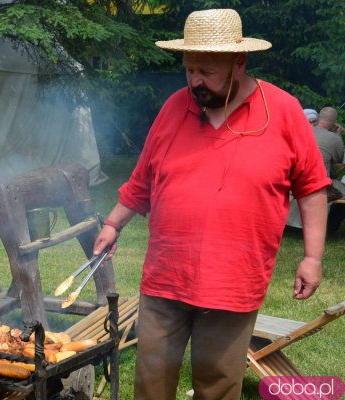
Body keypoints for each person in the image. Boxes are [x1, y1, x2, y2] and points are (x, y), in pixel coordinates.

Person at [93, 9, 330, 400]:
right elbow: (143, 180)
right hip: (165, 278)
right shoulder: (175, 107)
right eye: (189, 69)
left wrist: (313, 258)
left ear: (239, 62)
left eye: (206, 71)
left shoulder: (283, 111)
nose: (194, 81)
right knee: (150, 383)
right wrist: (113, 224)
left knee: (217, 385)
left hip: (233, 282)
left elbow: (312, 188)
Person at [287, 106, 345, 228]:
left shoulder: (301, 130)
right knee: (341, 189)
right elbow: (339, 159)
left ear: (318, 118)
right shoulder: (334, 138)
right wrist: (338, 136)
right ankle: (331, 225)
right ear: (334, 122)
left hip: (291, 181)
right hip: (316, 185)